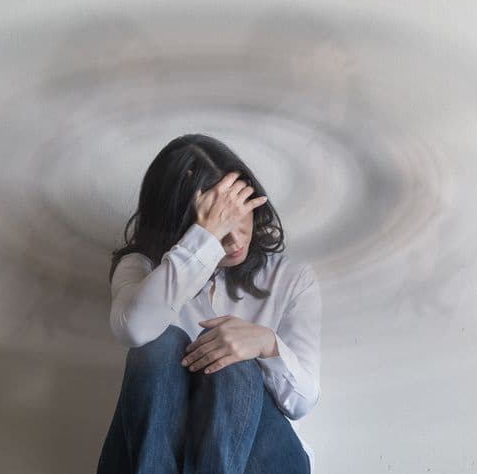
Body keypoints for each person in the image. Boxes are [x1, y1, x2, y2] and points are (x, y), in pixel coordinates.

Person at [96, 133, 322, 474]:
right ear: (181, 226)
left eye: (238, 216)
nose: (233, 239)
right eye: (219, 224)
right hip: (161, 458)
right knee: (160, 342)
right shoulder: (140, 268)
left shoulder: (291, 278)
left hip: (266, 461)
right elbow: (135, 330)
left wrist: (266, 344)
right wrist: (202, 242)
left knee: (233, 361)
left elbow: (302, 404)